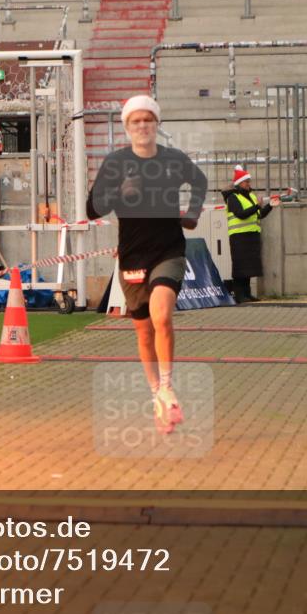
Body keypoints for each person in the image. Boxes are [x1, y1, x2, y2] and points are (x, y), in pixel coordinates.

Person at [87, 95, 208, 434]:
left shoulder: (173, 159)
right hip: (132, 257)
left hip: (168, 251)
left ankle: (167, 385)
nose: (142, 126)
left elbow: (199, 182)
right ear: (127, 127)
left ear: (157, 124)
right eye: (135, 121)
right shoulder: (116, 164)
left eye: (147, 120)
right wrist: (118, 195)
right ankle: (157, 395)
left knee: (162, 316)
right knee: (143, 331)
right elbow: (91, 209)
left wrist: (193, 214)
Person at [222, 165, 279, 303]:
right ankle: (240, 295)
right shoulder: (233, 197)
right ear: (239, 183)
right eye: (246, 181)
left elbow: (258, 215)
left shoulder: (251, 196)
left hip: (251, 236)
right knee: (240, 266)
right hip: (239, 236)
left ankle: (247, 294)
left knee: (248, 267)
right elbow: (241, 214)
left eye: (249, 181)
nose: (249, 184)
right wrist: (256, 207)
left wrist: (270, 206)